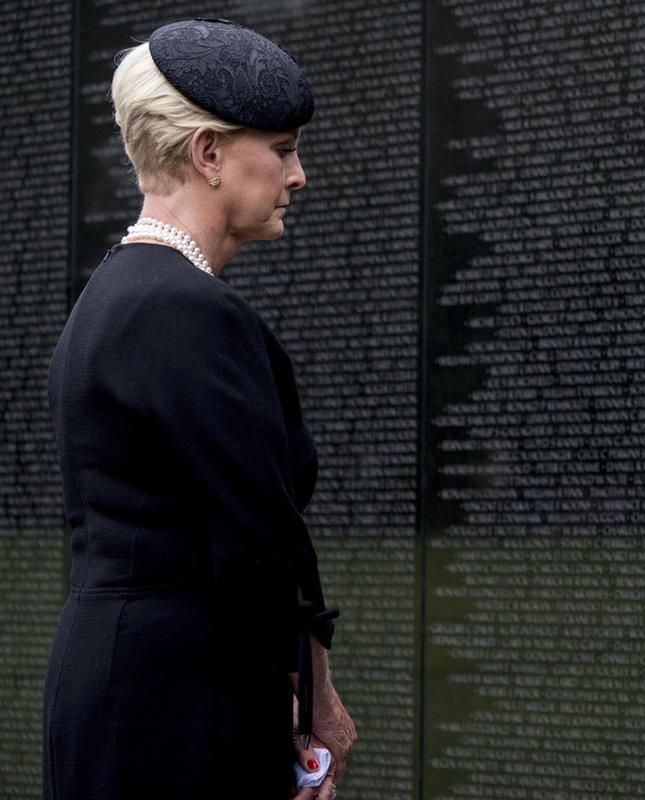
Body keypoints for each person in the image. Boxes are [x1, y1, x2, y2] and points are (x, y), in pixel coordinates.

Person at [43, 19, 356, 800]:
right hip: (178, 700)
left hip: (117, 679)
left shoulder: (109, 297)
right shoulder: (190, 310)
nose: (299, 175)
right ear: (207, 153)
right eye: (281, 150)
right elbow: (261, 539)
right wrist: (316, 701)